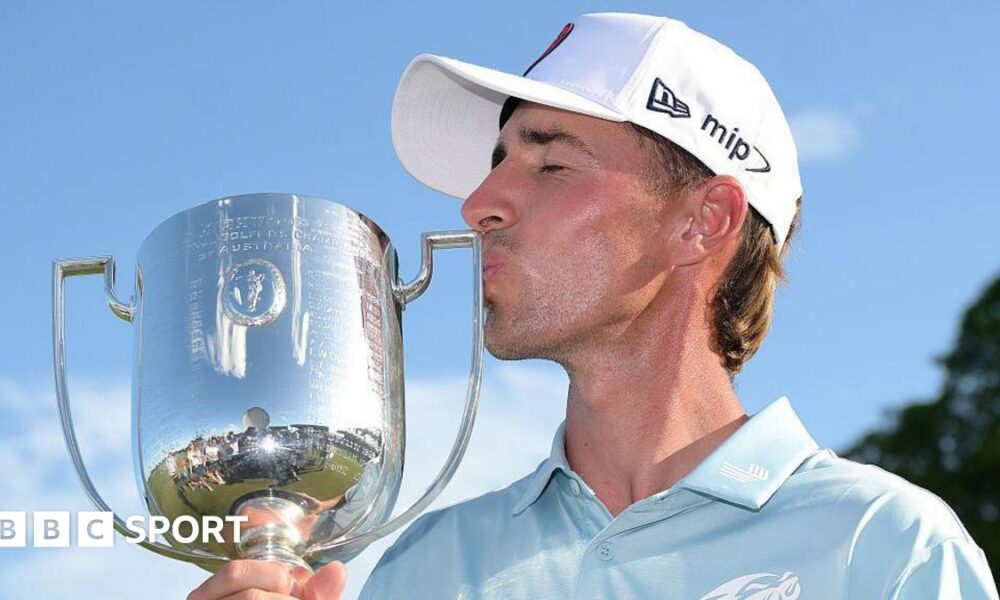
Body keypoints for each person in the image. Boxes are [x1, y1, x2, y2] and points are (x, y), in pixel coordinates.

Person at [187, 12, 999, 599]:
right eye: (497, 162)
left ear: (701, 221)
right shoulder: (426, 568)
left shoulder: (884, 547)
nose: (478, 204)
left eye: (551, 166)